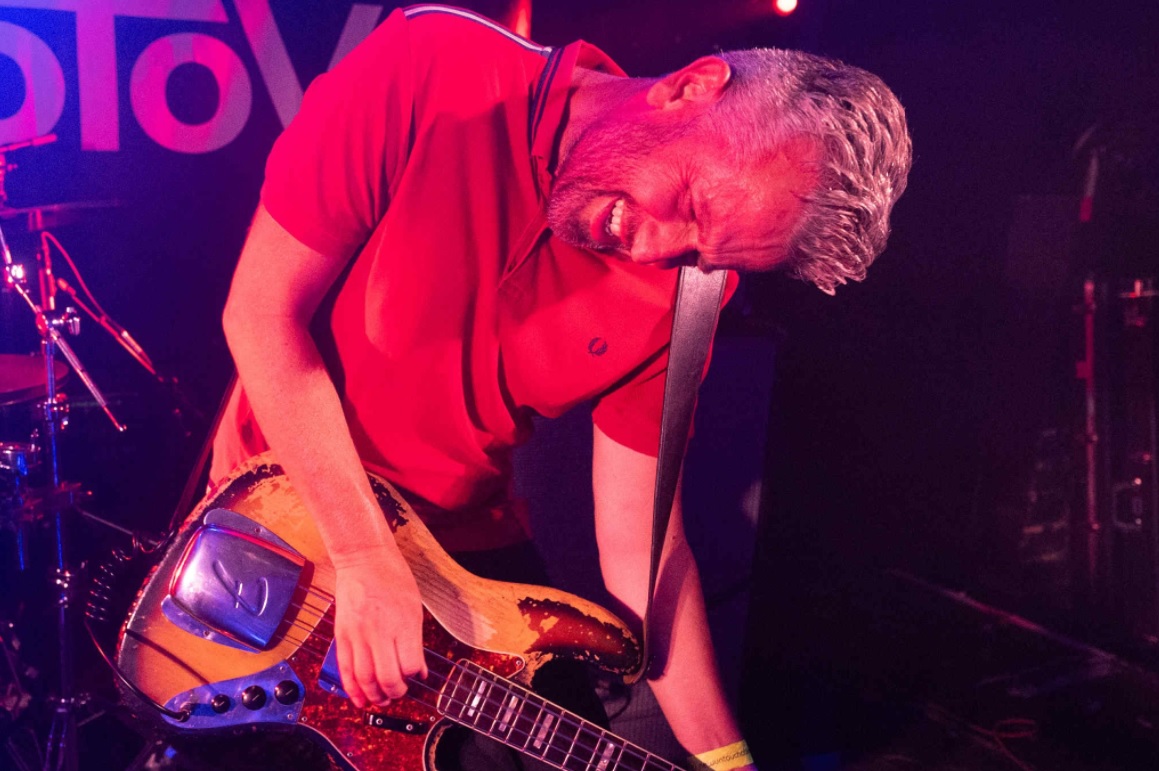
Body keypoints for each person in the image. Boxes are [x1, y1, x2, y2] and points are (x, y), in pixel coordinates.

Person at [210, 4, 911, 770]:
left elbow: (641, 551)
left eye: (702, 257)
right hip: (283, 522)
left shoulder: (686, 300)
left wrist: (729, 759)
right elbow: (261, 315)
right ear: (689, 88)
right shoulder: (430, 64)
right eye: (692, 204)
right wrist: (362, 557)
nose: (658, 250)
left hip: (461, 557)